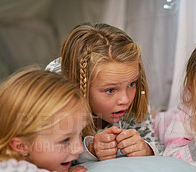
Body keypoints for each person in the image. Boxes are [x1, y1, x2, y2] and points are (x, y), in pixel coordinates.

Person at [46, 22, 161, 162]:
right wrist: (90, 149)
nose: (125, 99)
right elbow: (48, 154)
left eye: (132, 84)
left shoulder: (133, 97)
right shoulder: (55, 100)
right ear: (80, 86)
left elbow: (155, 142)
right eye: (110, 90)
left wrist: (146, 148)